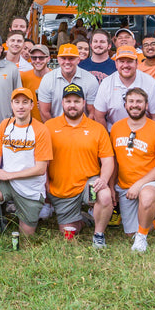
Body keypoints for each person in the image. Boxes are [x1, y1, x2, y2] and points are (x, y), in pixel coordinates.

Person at [0, 88, 51, 248]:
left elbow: (40, 169)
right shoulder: (5, 124)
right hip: (6, 184)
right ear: (11, 105)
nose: (20, 106)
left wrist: (9, 175)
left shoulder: (41, 130)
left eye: (24, 102)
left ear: (31, 105)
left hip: (31, 189)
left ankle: (25, 215)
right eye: (17, 102)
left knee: (26, 240)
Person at [45, 83, 114, 248]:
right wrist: (46, 184)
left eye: (76, 101)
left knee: (104, 196)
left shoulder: (97, 128)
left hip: (88, 183)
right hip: (62, 189)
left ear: (84, 103)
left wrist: (103, 179)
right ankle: (84, 220)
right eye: (68, 101)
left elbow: (108, 160)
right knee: (68, 232)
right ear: (62, 103)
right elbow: (42, 160)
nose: (72, 105)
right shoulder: (49, 127)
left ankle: (99, 235)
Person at [109, 88, 155, 253]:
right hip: (125, 186)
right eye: (131, 101)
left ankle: (141, 239)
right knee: (129, 231)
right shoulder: (116, 128)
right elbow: (114, 161)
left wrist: (139, 185)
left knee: (145, 196)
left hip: (154, 181)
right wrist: (111, 186)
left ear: (146, 105)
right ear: (125, 105)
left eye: (139, 102)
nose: (135, 105)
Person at [93, 45, 155, 130]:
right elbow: (99, 116)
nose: (125, 65)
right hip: (114, 133)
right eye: (122, 61)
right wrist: (106, 140)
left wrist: (150, 139)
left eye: (130, 61)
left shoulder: (150, 82)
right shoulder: (106, 83)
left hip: (144, 133)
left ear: (137, 63)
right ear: (116, 64)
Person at [37, 44, 98, 121]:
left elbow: (92, 112)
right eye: (63, 58)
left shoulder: (90, 79)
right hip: (56, 128)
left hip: (82, 128)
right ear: (58, 59)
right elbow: (44, 111)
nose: (67, 62)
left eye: (71, 58)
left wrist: (85, 130)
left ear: (78, 60)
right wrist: (53, 130)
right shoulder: (48, 79)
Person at [19, 44, 51, 118]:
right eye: (34, 58)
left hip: (48, 124)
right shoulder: (23, 76)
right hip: (28, 124)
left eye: (41, 58)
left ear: (48, 58)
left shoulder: (54, 78)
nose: (37, 61)